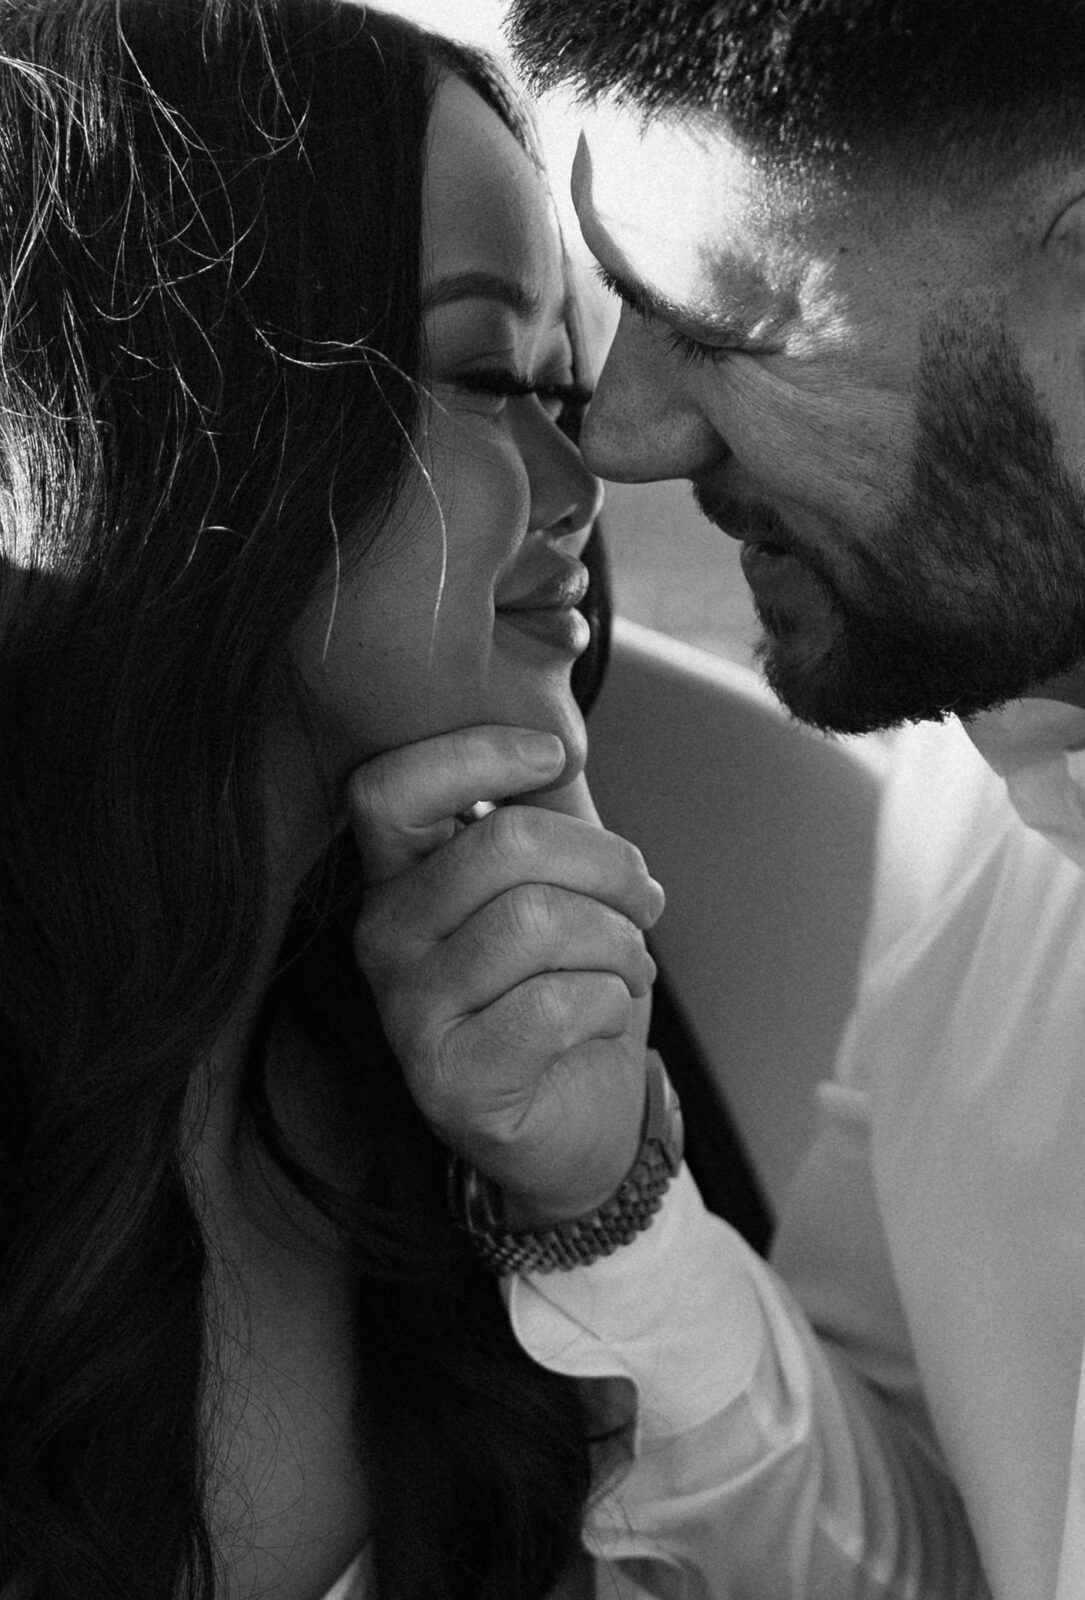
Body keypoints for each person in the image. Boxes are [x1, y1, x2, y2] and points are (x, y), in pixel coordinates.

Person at [393, 0, 1085, 1594]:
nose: (619, 440)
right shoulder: (977, 802)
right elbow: (959, 1556)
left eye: (717, 324)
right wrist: (605, 1208)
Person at [0, 2, 671, 1596]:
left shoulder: (484, 1022)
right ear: (173, 411)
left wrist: (592, 1207)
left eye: (560, 388)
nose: (579, 490)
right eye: (485, 373)